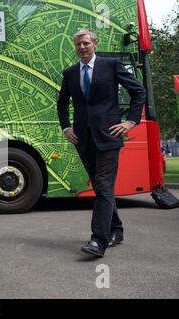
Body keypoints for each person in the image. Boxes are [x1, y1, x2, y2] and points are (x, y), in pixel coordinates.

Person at [57, 29, 145, 257]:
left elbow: (138, 92)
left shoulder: (112, 65)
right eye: (77, 44)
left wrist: (130, 121)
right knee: (99, 186)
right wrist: (66, 127)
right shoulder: (70, 73)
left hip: (109, 137)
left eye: (85, 43)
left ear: (94, 44)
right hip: (82, 138)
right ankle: (116, 229)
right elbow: (62, 103)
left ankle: (98, 240)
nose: (81, 48)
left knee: (104, 186)